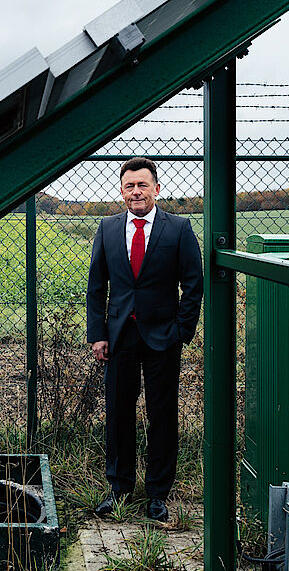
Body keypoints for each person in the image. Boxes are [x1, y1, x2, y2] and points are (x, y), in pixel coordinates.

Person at [86, 156, 203, 522]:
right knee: (118, 413)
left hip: (163, 338)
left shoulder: (178, 228)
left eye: (142, 185)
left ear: (156, 188)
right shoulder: (107, 228)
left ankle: (157, 494)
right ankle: (118, 488)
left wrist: (181, 331)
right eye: (129, 186)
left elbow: (194, 284)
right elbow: (96, 286)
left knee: (162, 415)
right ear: (122, 191)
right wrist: (98, 335)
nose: (136, 191)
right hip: (119, 337)